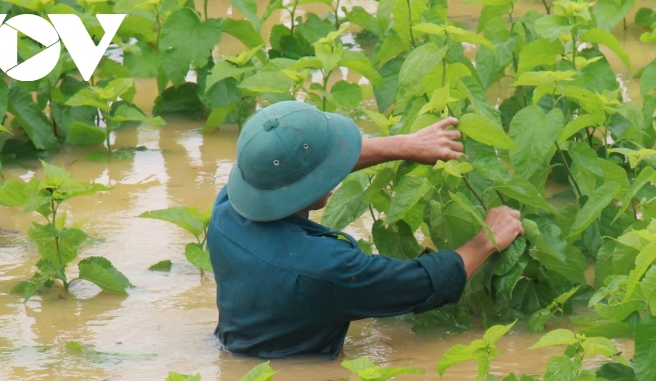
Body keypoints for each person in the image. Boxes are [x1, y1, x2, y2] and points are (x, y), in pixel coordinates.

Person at [207, 100, 524, 359]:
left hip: (235, 352)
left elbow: (293, 170)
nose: (336, 174)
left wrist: (403, 145)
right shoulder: (326, 267)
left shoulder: (228, 209)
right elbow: (421, 283)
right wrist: (485, 240)